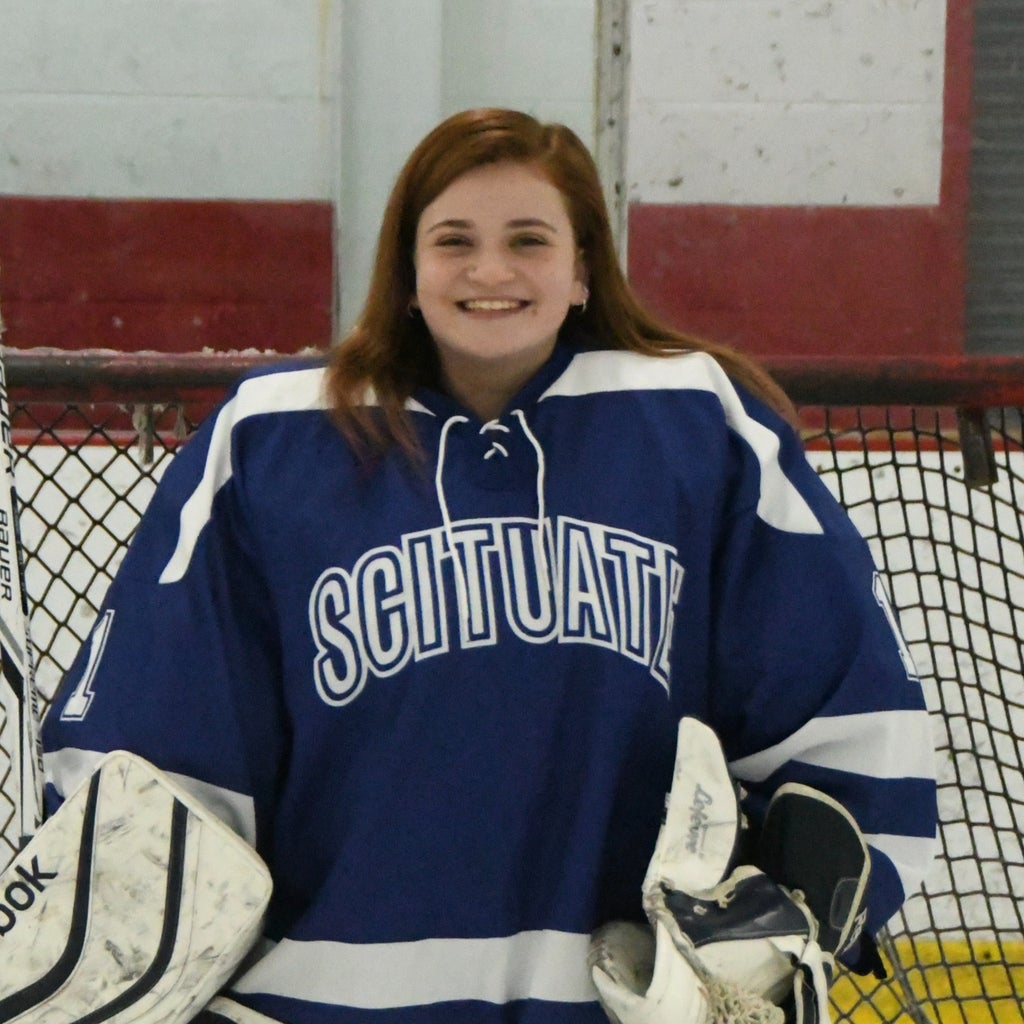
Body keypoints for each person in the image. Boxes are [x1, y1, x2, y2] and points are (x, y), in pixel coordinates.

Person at [41, 108, 937, 1024]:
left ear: (583, 269)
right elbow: (159, 738)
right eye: (454, 241)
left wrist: (785, 925)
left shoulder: (699, 425)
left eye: (529, 240)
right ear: (407, 271)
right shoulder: (273, 438)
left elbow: (844, 717)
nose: (491, 271)